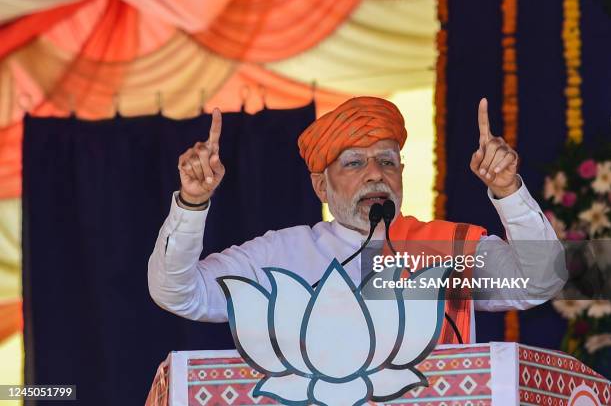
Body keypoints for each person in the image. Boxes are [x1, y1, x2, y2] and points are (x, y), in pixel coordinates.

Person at [147, 96, 565, 343]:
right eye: (353, 163)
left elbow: (542, 281)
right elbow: (178, 293)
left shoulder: (448, 246)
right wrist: (192, 203)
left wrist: (509, 193)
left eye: (387, 161)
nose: (375, 174)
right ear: (321, 188)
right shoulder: (285, 253)